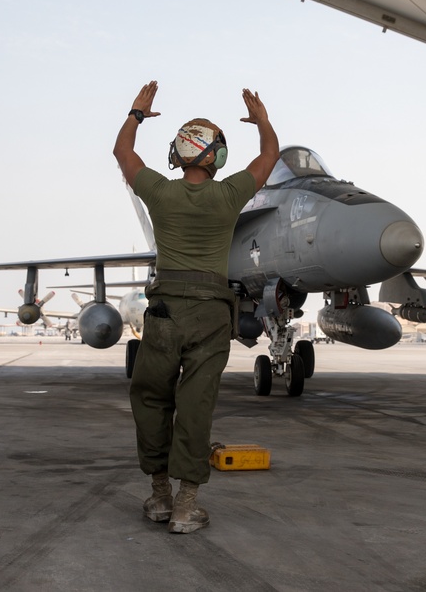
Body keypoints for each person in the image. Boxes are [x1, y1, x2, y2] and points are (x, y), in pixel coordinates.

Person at [113, 80, 279, 534]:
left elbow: (122, 153)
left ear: (179, 153)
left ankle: (160, 495)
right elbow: (268, 159)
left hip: (164, 312)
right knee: (196, 403)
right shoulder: (229, 196)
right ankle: (186, 506)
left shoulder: (160, 194)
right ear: (216, 158)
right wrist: (262, 121)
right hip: (210, 315)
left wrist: (137, 113)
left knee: (151, 397)